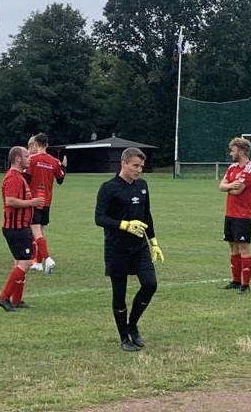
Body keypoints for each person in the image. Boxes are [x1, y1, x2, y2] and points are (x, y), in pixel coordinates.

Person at [95, 147, 164, 352]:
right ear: (123, 163)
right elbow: (99, 218)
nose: (138, 170)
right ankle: (124, 337)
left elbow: (146, 215)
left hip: (139, 247)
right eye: (135, 165)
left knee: (150, 284)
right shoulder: (109, 188)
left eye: (141, 166)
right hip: (117, 249)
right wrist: (124, 225)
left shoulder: (142, 185)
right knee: (119, 294)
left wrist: (154, 242)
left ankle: (132, 325)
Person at [0, 146, 45, 311]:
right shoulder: (13, 178)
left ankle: (16, 300)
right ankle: (4, 297)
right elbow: (9, 201)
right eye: (26, 156)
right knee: (25, 262)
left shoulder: (20, 176)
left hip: (20, 226)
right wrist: (32, 203)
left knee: (20, 262)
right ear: (17, 159)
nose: (29, 158)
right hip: (15, 227)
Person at [218, 137, 251, 294]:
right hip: (230, 213)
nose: (230, 153)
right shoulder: (232, 167)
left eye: (233, 150)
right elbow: (221, 186)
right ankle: (235, 281)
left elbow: (237, 190)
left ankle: (245, 285)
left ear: (241, 151)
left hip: (243, 215)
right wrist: (228, 186)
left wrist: (227, 187)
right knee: (232, 247)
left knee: (244, 248)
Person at [24, 133, 67, 274]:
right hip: (47, 200)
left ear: (35, 144)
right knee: (41, 231)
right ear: (47, 145)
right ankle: (38, 262)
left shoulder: (31, 159)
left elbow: (26, 178)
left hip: (34, 200)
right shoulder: (54, 161)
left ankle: (45, 260)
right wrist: (64, 168)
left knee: (35, 231)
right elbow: (60, 179)